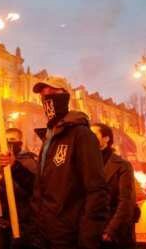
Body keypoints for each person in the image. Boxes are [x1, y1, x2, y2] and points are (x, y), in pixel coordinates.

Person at [29, 78, 108, 249]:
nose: (46, 99)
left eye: (52, 93)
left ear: (65, 96)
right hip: (44, 233)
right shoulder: (48, 140)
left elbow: (96, 190)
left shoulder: (81, 135)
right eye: (43, 96)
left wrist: (88, 238)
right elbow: (43, 185)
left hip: (68, 235)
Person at [0, 127, 39, 249]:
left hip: (23, 224)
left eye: (12, 139)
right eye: (6, 140)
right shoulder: (4, 164)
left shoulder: (29, 162)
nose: (9, 143)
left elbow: (27, 191)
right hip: (6, 224)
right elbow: (5, 192)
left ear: (20, 142)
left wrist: (1, 180)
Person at [90, 123, 137, 249]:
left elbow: (126, 202)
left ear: (106, 139)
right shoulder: (86, 163)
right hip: (90, 230)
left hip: (114, 233)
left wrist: (111, 230)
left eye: (94, 135)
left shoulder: (122, 165)